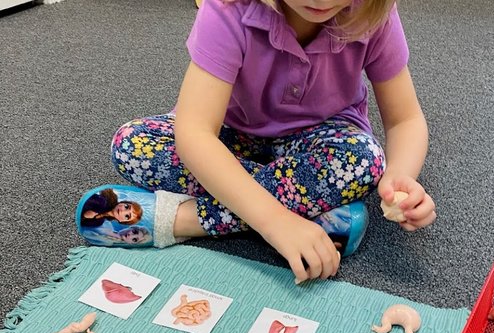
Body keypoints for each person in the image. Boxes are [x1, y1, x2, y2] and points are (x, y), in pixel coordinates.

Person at [81, 0, 436, 284]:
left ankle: (183, 219)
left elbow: (405, 120)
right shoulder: (228, 10)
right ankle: (310, 209)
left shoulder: (375, 12)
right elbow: (194, 133)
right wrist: (278, 222)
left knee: (366, 160)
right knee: (131, 144)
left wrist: (400, 175)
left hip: (319, 141)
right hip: (232, 137)